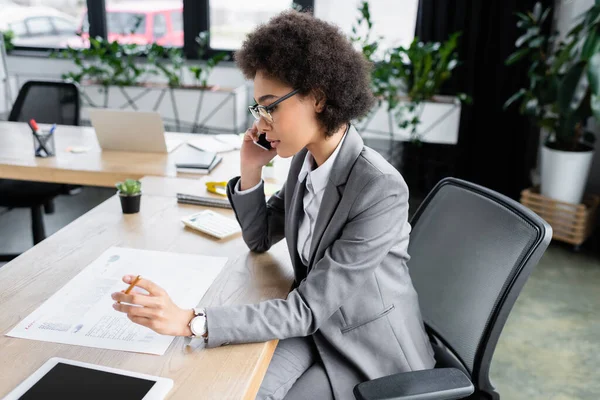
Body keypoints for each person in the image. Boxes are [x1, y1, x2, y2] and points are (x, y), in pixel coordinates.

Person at [111, 10, 435, 400]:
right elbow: (260, 237)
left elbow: (308, 309)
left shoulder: (378, 188)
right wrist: (250, 169)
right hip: (315, 329)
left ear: (317, 97)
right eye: (258, 109)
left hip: (366, 351)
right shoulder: (306, 159)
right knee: (229, 387)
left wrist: (191, 321)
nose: (262, 123)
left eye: (270, 106)